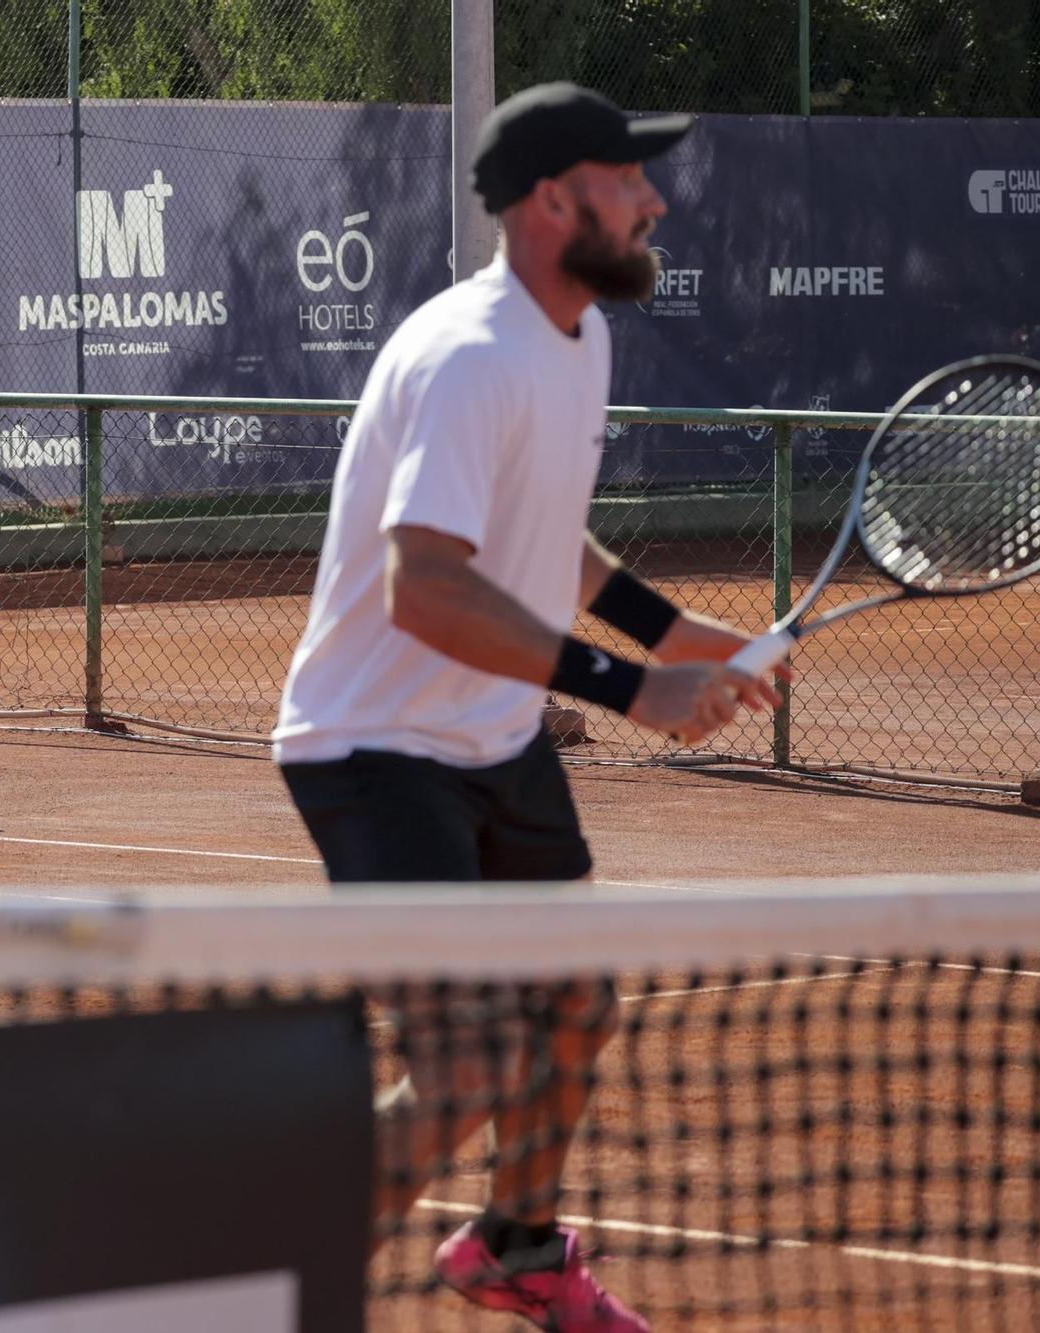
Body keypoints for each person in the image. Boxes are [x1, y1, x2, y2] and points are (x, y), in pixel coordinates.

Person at [272, 84, 783, 1331]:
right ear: (557, 200)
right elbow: (425, 585)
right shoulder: (468, 356)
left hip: (489, 736)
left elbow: (545, 533)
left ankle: (511, 1247)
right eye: (628, 177)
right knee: (458, 1071)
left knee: (572, 1001)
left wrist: (670, 636)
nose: (654, 198)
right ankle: (260, 1291)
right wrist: (626, 687)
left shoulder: (574, 336)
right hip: (372, 748)